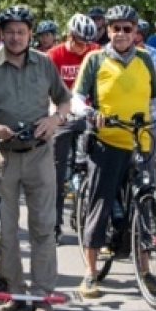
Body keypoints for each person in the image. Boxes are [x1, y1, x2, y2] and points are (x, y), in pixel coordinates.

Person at [0, 5, 72, 311]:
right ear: (1, 32)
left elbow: (64, 100)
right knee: (4, 231)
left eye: (21, 31)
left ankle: (41, 295)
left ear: (30, 34)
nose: (14, 37)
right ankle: (15, 293)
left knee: (43, 227)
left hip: (39, 154)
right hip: (3, 155)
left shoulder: (44, 63)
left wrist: (55, 120)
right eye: (9, 31)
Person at [72, 4, 156, 299]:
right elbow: (75, 97)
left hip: (141, 141)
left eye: (128, 28)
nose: (122, 34)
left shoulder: (145, 59)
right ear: (108, 30)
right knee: (100, 204)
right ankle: (89, 273)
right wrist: (89, 112)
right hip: (107, 140)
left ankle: (146, 270)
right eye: (116, 28)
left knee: (146, 205)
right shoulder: (95, 58)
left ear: (136, 31)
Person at [48, 13, 97, 234]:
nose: (83, 47)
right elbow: (46, 90)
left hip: (87, 114)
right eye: (79, 42)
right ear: (69, 35)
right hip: (62, 114)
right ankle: (54, 223)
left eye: (87, 43)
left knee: (96, 164)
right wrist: (56, 113)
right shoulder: (54, 55)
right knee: (56, 172)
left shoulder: (95, 52)